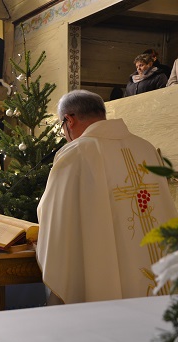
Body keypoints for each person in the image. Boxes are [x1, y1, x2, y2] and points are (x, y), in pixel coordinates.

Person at [36, 90, 178, 305]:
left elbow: (54, 214)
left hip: (106, 273)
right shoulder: (146, 148)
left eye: (62, 126)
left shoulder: (76, 152)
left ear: (69, 120)